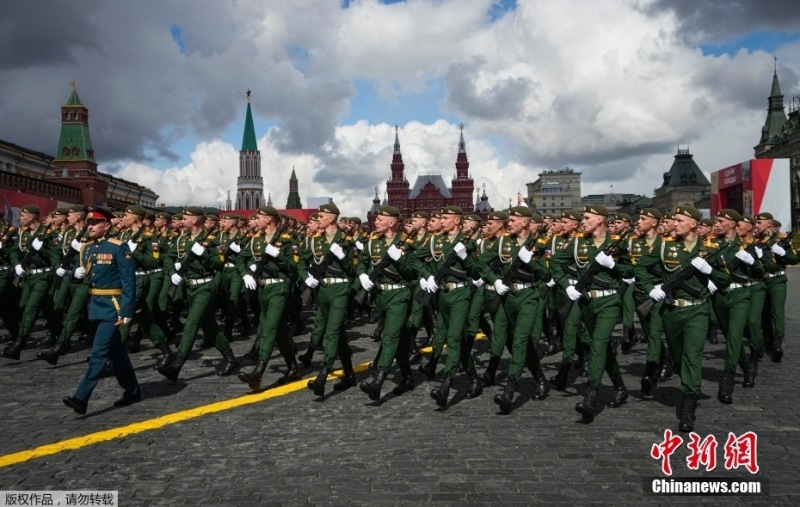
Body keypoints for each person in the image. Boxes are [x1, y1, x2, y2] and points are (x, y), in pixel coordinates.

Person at [635, 206, 729, 431]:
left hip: (697, 311)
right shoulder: (665, 246)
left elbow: (725, 280)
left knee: (693, 355)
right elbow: (641, 268)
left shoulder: (710, 248)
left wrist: (709, 271)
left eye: (679, 220)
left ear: (694, 224)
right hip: (671, 312)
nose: (674, 223)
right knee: (678, 357)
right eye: (673, 219)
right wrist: (651, 289)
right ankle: (681, 372)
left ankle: (689, 401)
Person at [62, 206, 140, 415]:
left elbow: (129, 282)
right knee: (116, 353)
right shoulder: (88, 248)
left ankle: (81, 397)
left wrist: (127, 309)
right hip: (94, 306)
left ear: (106, 225)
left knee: (98, 353)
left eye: (94, 223)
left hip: (112, 307)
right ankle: (132, 391)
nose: (90, 226)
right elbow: (85, 274)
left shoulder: (118, 247)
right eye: (88, 222)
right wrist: (74, 275)